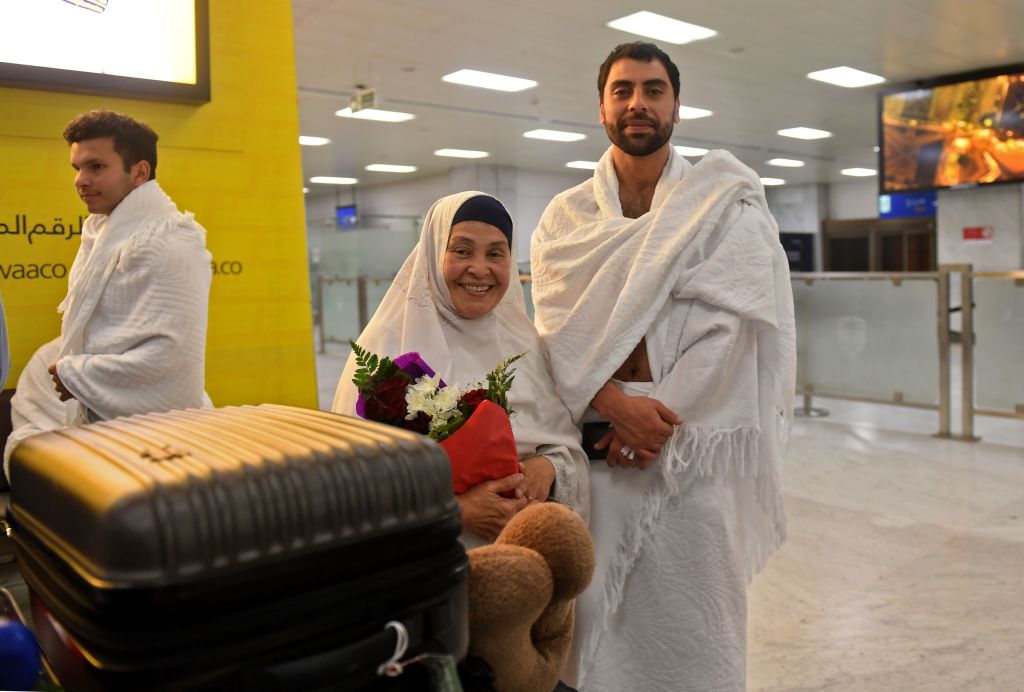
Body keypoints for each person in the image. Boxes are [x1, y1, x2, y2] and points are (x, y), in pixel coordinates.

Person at [530, 42, 796, 691]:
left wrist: (656, 420)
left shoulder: (722, 206)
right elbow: (553, 333)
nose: (638, 103)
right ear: (602, 106)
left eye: (653, 89)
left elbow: (728, 328)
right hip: (599, 452)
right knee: (596, 623)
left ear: (676, 103)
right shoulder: (567, 218)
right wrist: (618, 408)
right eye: (623, 90)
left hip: (689, 449)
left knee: (693, 627)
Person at [332, 192, 589, 546]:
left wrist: (545, 471)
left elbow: (564, 445)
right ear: (435, 254)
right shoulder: (389, 346)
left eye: (495, 253)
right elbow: (352, 481)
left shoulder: (523, 344)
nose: (480, 269)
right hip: (435, 565)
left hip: (525, 554)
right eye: (463, 251)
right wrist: (458, 510)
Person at [47, 109, 212, 425]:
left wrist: (74, 373)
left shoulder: (169, 241)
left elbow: (172, 363)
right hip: (103, 423)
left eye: (96, 166)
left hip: (158, 434)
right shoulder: (99, 233)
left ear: (139, 172)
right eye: (77, 168)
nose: (81, 180)